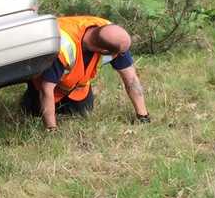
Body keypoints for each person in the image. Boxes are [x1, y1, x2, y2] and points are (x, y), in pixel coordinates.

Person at [21, 15, 150, 130]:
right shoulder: (63, 46)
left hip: (77, 89)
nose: (122, 55)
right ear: (104, 51)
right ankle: (30, 101)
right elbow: (46, 89)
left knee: (82, 111)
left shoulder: (114, 37)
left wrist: (143, 116)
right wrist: (51, 129)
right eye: (119, 53)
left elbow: (131, 80)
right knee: (35, 111)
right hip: (45, 85)